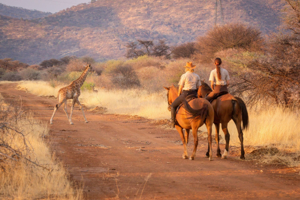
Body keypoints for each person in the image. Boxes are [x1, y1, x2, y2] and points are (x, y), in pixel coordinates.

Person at [170, 62, 201, 127]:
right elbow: (198, 87)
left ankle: (172, 122)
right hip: (194, 94)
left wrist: (179, 94)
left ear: (187, 68)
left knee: (173, 106)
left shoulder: (184, 75)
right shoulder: (197, 76)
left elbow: (180, 87)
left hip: (185, 94)